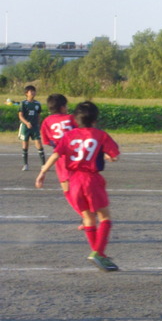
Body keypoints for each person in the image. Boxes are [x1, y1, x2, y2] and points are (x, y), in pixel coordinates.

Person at [36, 101, 121, 272]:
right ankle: (99, 252)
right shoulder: (100, 135)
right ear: (95, 119)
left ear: (76, 119)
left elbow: (55, 155)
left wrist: (43, 171)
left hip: (74, 180)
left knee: (88, 218)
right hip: (91, 180)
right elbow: (114, 156)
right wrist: (108, 157)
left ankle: (97, 253)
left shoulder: (69, 136)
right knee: (105, 218)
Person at [40, 94, 80, 216]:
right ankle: (88, 212)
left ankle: (84, 214)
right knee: (80, 185)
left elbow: (46, 141)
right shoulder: (71, 118)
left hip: (60, 158)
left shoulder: (47, 121)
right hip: (76, 155)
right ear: (62, 107)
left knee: (66, 189)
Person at [18, 85, 46, 171]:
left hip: (34, 127)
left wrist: (38, 125)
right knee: (25, 145)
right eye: (31, 91)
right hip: (25, 127)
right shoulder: (23, 103)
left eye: (34, 91)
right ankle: (25, 164)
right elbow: (20, 115)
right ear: (26, 93)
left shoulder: (37, 104)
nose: (33, 92)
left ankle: (43, 165)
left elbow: (38, 115)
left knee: (39, 144)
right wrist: (26, 123)